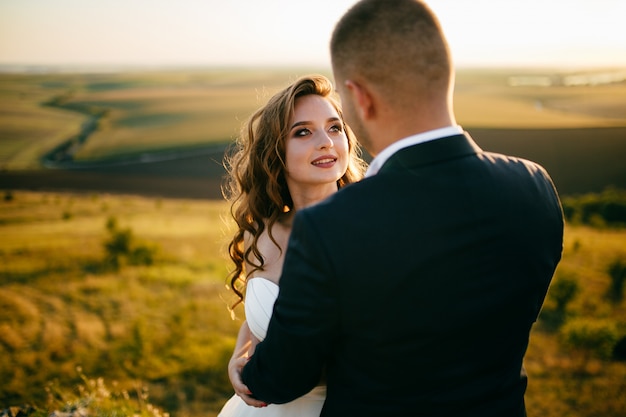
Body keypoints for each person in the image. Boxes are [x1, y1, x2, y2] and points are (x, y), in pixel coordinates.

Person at [236, 1, 564, 416]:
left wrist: (249, 373)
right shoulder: (534, 187)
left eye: (335, 122)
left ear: (358, 97)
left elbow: (284, 377)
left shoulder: (333, 226)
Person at [218, 74, 367, 417]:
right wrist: (239, 358)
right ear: (275, 152)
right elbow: (264, 317)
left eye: (334, 128)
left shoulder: (367, 230)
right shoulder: (261, 233)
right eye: (303, 132)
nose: (326, 142)